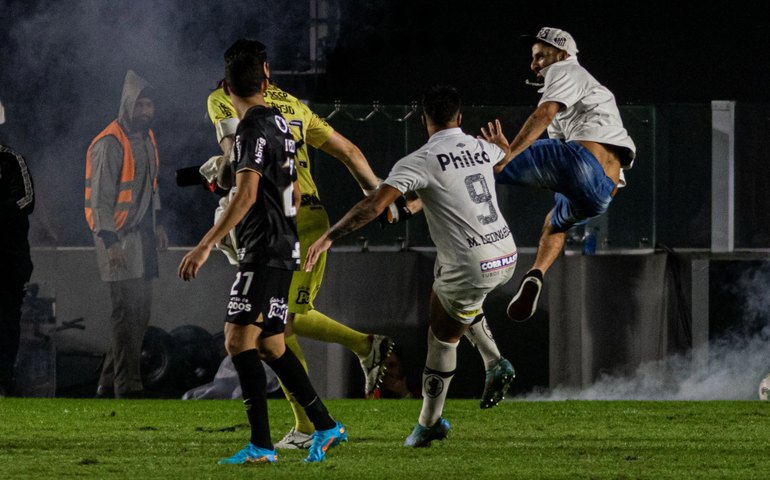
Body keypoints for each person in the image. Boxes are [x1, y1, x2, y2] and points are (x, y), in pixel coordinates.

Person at [305, 85, 518, 447]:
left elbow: (374, 206)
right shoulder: (480, 146)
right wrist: (504, 144)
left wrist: (330, 236)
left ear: (423, 118)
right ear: (460, 117)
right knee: (452, 294)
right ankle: (493, 360)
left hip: (471, 263)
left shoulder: (420, 160)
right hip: (507, 253)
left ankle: (429, 422)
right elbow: (502, 159)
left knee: (441, 336)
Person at [205, 40, 394, 448]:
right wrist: (378, 196)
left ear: (229, 78)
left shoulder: (222, 99)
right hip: (304, 216)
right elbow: (350, 151)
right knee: (276, 328)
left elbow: (237, 157)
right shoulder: (293, 105)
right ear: (267, 71)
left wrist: (219, 182)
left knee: (279, 325)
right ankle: (322, 409)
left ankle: (311, 423)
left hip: (272, 221)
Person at [179, 39, 346, 464]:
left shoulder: (252, 125)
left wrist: (205, 244)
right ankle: (325, 426)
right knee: (271, 344)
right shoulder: (280, 123)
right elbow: (273, 185)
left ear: (225, 87)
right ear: (266, 76)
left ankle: (260, 446)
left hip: (265, 246)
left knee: (237, 340)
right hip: (284, 241)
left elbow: (249, 192)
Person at [482, 27, 636, 322]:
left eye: (540, 56)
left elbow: (545, 113)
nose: (534, 64)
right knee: (553, 225)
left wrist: (509, 154)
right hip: (602, 194)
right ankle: (536, 274)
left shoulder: (566, 69)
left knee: (477, 165)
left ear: (562, 54)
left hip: (581, 164)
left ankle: (407, 204)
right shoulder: (593, 93)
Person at [84, 70, 168, 398]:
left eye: (150, 104)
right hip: (115, 237)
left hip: (141, 236)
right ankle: (127, 386)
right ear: (128, 106)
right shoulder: (109, 142)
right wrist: (110, 242)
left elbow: (151, 187)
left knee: (139, 313)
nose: (147, 110)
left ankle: (107, 382)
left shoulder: (147, 140)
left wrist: (157, 224)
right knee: (125, 313)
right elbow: (100, 198)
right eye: (141, 104)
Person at [0, 98, 35, 397]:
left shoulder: (11, 160)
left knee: (7, 322)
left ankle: (4, 381)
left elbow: (26, 200)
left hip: (8, 261)